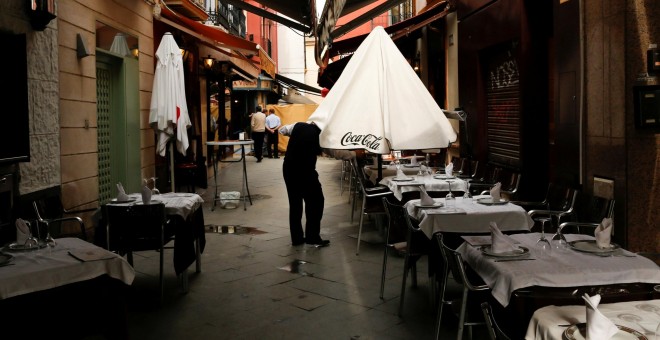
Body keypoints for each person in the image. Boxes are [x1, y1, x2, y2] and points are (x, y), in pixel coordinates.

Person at [280, 122, 328, 247]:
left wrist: (296, 138)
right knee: (316, 201)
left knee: (295, 204)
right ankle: (312, 236)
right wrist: (354, 154)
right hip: (306, 170)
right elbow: (333, 152)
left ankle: (297, 239)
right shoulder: (321, 135)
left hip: (289, 168)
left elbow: (282, 130)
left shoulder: (298, 125)